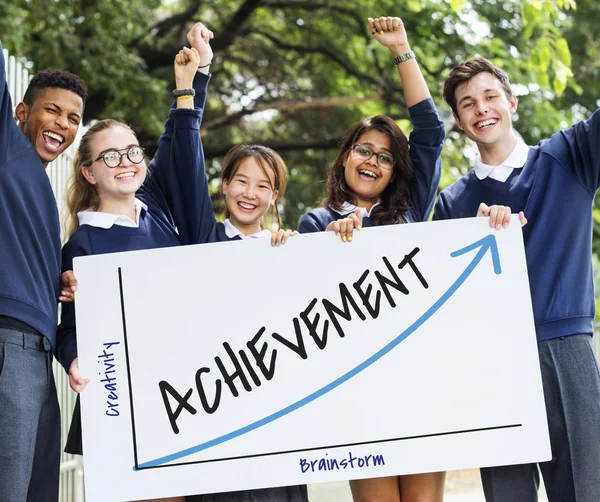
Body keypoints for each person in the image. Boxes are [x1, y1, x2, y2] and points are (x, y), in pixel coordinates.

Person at [434, 55, 600, 502]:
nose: (481, 108)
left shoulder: (569, 156)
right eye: (467, 103)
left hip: (565, 351)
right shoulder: (453, 204)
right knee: (507, 496)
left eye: (490, 96)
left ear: (512, 101)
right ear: (458, 120)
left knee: (586, 492)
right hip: (494, 362)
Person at [298, 16, 445, 502]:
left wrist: (402, 50)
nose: (372, 161)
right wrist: (330, 246)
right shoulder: (314, 224)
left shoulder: (410, 214)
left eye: (384, 157)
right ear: (344, 158)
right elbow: (302, 308)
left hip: (420, 380)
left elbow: (429, 131)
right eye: (364, 149)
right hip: (359, 390)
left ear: (393, 172)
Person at [0, 38, 87, 502]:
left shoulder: (40, 189)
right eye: (52, 111)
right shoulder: (6, 148)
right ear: (19, 112)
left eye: (73, 118)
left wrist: (56, 281)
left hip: (40, 356)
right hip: (7, 346)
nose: (63, 124)